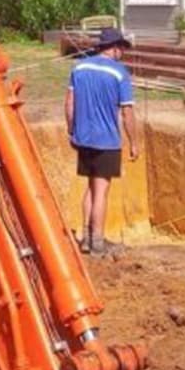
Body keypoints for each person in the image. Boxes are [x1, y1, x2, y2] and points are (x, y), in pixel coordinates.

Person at [65, 27, 139, 256]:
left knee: (90, 187)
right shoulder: (119, 73)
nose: (123, 53)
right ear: (115, 48)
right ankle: (97, 242)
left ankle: (86, 239)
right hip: (106, 141)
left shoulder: (79, 67)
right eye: (122, 49)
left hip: (83, 138)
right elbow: (127, 112)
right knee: (101, 192)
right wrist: (134, 142)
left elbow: (69, 104)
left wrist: (71, 131)